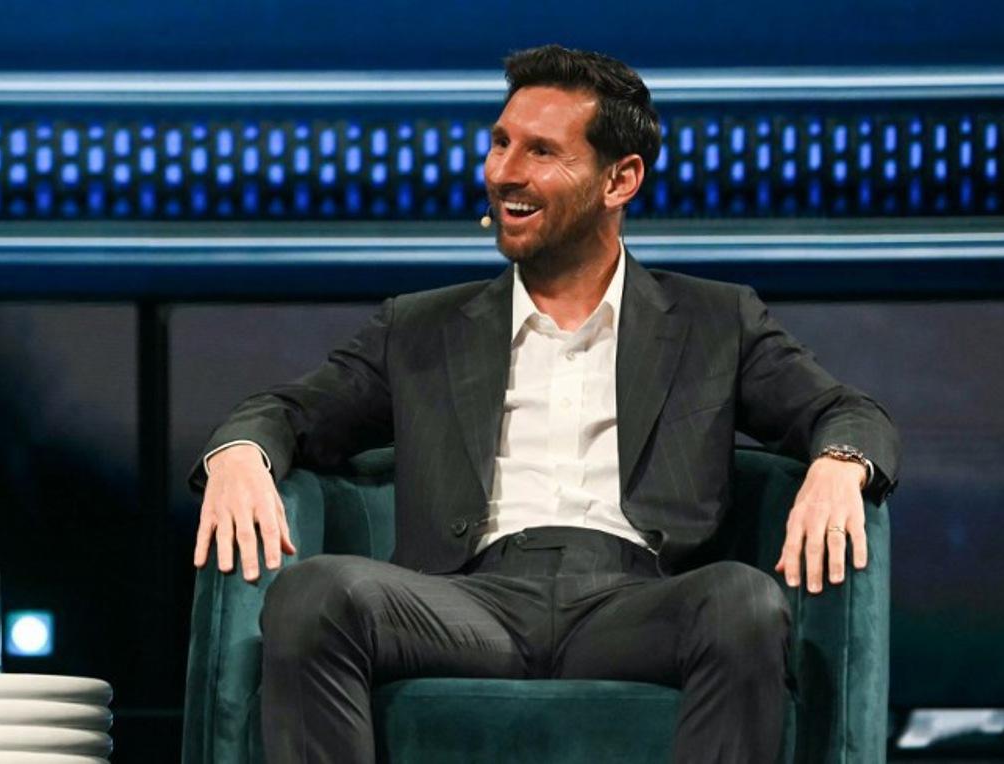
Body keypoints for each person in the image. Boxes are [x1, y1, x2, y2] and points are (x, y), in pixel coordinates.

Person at [190, 44, 900, 764]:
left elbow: (845, 411)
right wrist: (242, 453)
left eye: (540, 151)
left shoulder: (716, 321)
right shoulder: (421, 327)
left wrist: (840, 463)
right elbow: (292, 410)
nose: (504, 172)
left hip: (638, 602)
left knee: (743, 603)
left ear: (620, 179)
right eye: (500, 143)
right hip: (465, 602)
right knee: (313, 593)